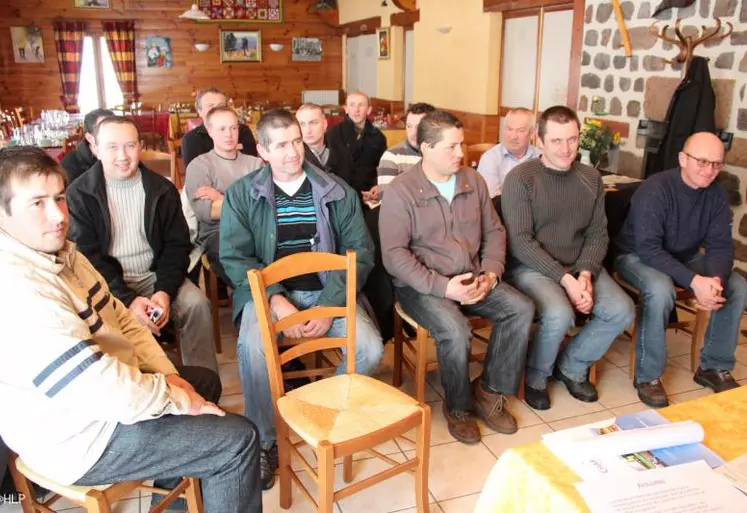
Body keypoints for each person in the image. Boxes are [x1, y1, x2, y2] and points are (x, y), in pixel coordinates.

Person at [0, 146, 262, 513]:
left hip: (99, 401)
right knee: (237, 439)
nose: (57, 215)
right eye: (37, 203)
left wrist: (171, 378)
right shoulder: (18, 287)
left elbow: (122, 320)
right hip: (75, 436)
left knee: (202, 380)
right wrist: (178, 398)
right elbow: (98, 385)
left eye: (59, 198)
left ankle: (173, 500)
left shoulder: (63, 253)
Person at [220, 110, 384, 489]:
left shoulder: (335, 190)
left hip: (328, 288)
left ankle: (325, 416)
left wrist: (329, 308)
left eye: (296, 141)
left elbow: (360, 251)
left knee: (370, 348)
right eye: (280, 145)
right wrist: (277, 301)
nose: (292, 152)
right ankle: (265, 440)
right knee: (255, 349)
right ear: (262, 150)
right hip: (271, 296)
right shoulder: (242, 194)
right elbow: (236, 257)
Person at [379, 111, 534, 444]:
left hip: (472, 275)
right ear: (425, 148)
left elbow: (495, 230)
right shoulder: (401, 191)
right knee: (454, 329)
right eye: (451, 147)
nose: (461, 154)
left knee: (520, 308)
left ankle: (490, 392)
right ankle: (459, 407)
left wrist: (491, 273)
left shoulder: (472, 181)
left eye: (461, 145)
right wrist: (443, 287)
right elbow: (394, 256)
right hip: (423, 285)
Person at [501, 105, 634, 411]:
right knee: (560, 312)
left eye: (572, 140)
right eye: (557, 141)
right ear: (540, 141)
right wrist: (567, 281)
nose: (565, 149)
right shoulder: (520, 178)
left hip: (579, 265)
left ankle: (571, 366)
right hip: (531, 266)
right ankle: (536, 377)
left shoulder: (591, 178)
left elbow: (598, 234)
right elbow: (521, 242)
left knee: (621, 310)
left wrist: (585, 275)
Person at [66, 116, 218, 373]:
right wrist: (128, 300)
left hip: (154, 275)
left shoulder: (162, 189)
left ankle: (203, 386)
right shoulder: (79, 194)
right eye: (112, 147)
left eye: (130, 145)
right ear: (95, 148)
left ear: (140, 146)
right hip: (105, 282)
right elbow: (88, 258)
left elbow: (177, 245)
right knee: (100, 323)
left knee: (196, 305)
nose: (122, 155)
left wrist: (164, 292)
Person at [615, 132, 746, 407]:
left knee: (737, 286)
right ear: (682, 159)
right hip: (634, 255)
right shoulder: (656, 189)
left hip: (683, 255)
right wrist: (694, 281)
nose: (709, 170)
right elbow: (649, 249)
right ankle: (648, 376)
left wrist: (714, 283)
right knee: (660, 289)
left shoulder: (716, 194)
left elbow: (721, 246)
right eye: (702, 161)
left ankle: (712, 367)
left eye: (716, 163)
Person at [185, 105, 264, 286]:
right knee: (245, 273)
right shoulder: (200, 166)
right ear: (209, 131)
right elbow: (207, 213)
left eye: (233, 128)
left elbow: (265, 205)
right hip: (219, 233)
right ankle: (257, 298)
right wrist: (245, 201)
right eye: (222, 129)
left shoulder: (255, 163)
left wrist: (222, 198)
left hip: (257, 229)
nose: (228, 134)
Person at [325, 92, 387, 199]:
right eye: (352, 105)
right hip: (339, 194)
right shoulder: (333, 134)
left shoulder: (378, 137)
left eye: (361, 105)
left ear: (368, 110)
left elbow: (382, 167)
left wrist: (377, 186)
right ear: (346, 109)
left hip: (367, 194)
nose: (356, 110)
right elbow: (327, 167)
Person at [181, 87, 258, 168]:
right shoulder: (191, 139)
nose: (216, 110)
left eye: (221, 106)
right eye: (210, 106)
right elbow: (195, 174)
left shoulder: (242, 131)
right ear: (199, 111)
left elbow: (252, 166)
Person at [373, 102, 436, 200]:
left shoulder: (441, 154)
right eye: (409, 126)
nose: (413, 133)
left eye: (419, 127)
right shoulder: (392, 157)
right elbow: (388, 203)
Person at [477, 107, 539, 199]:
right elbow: (492, 200)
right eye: (509, 129)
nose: (513, 136)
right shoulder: (490, 158)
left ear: (532, 134)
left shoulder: (540, 157)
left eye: (520, 130)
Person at [296, 102, 354, 186]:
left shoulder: (343, 152)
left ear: (325, 124)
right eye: (302, 124)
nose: (307, 130)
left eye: (313, 123)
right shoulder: (294, 158)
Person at [60, 108, 115, 184]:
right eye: (106, 131)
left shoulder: (121, 156)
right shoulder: (71, 165)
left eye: (115, 130)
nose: (114, 135)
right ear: (90, 138)